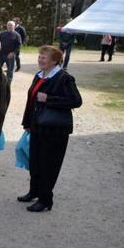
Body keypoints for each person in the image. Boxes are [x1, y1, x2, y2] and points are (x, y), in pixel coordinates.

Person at [18, 46, 83, 212]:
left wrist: (49, 99)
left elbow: (76, 101)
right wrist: (28, 123)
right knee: (35, 162)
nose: (40, 59)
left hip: (55, 131)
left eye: (44, 57)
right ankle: (34, 192)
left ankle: (46, 199)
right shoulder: (39, 75)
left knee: (49, 165)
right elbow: (31, 101)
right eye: (39, 56)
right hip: (37, 127)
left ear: (54, 61)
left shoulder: (64, 78)